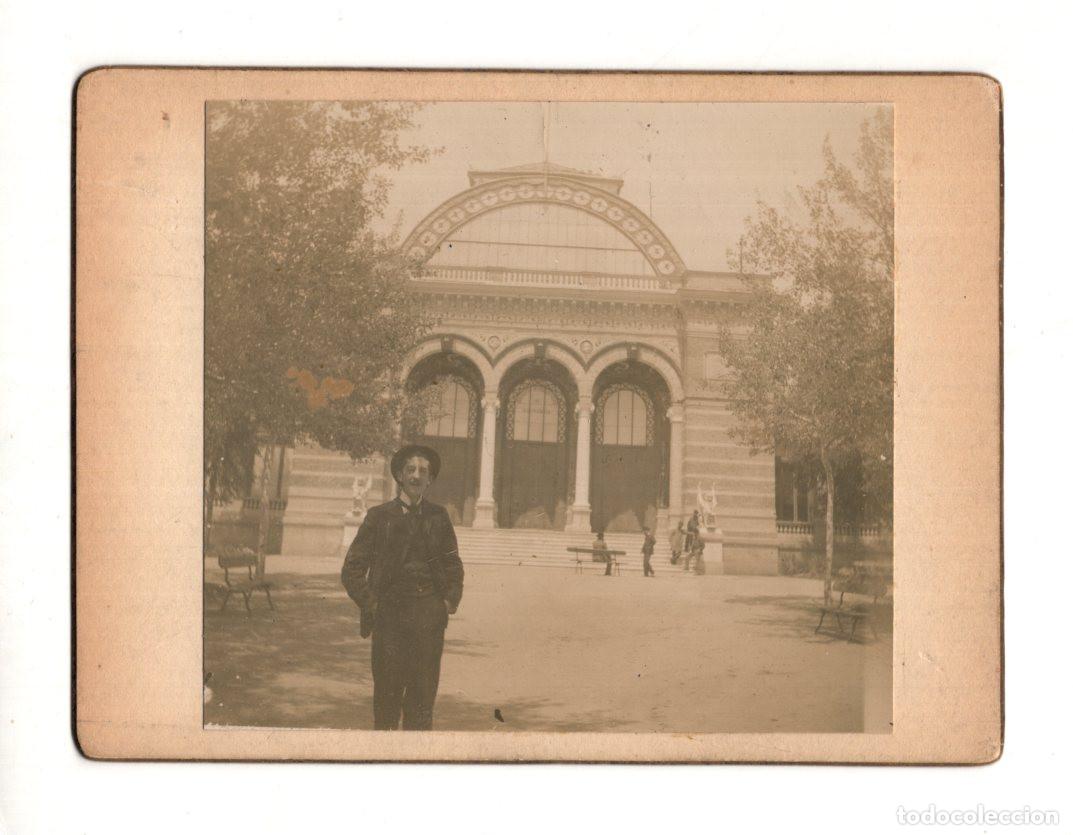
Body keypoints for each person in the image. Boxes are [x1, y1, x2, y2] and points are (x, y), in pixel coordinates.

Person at [341, 444, 464, 731]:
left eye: (423, 471)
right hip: (390, 619)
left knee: (422, 705)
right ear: (399, 475)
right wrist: (372, 604)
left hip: (428, 620)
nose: (416, 476)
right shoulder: (379, 516)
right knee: (386, 701)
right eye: (410, 470)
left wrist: (447, 603)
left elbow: (453, 566)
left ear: (430, 479)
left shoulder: (438, 517)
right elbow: (351, 569)